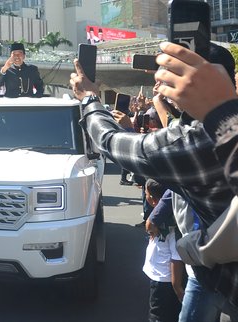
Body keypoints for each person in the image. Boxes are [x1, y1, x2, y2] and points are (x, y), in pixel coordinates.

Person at [70, 42, 237, 321]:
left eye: (171, 75)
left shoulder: (191, 142)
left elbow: (110, 142)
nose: (163, 85)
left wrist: (88, 98)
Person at [142, 179, 185, 322]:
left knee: (158, 315)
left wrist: (177, 286)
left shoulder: (171, 226)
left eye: (146, 193)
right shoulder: (161, 220)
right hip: (159, 276)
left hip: (165, 280)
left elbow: (176, 258)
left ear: (153, 200)